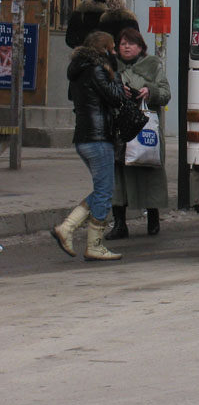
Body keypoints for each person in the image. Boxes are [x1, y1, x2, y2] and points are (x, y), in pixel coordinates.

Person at [51, 30, 128, 262]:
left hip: (83, 137)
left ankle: (69, 228)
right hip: (98, 137)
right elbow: (116, 97)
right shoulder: (97, 70)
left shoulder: (77, 70)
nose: (114, 52)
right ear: (103, 49)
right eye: (112, 48)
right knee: (105, 191)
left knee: (102, 189)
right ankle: (90, 243)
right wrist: (114, 73)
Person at [106, 27, 172, 239]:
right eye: (122, 43)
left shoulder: (152, 66)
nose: (126, 46)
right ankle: (119, 223)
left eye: (131, 43)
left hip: (145, 133)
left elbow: (165, 94)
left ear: (140, 47)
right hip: (120, 131)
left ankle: (153, 219)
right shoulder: (110, 67)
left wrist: (149, 91)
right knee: (119, 177)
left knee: (149, 174)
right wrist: (117, 91)